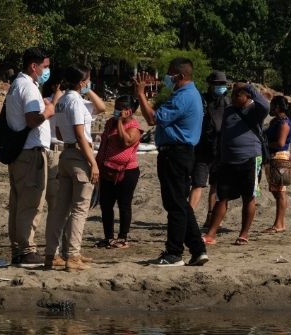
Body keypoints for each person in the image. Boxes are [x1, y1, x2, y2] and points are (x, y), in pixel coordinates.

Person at [134, 58, 208, 267]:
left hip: (176, 154)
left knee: (175, 205)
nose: (167, 78)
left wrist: (140, 94)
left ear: (180, 76)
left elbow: (152, 119)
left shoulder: (184, 96)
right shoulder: (188, 94)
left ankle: (174, 252)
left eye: (170, 74)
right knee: (180, 203)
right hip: (179, 153)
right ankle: (197, 249)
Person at [43, 65, 100, 271]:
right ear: (82, 82)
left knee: (60, 209)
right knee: (79, 208)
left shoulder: (61, 101)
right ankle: (72, 256)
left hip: (66, 155)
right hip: (78, 155)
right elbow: (79, 134)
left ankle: (51, 254)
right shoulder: (75, 101)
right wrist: (93, 162)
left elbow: (58, 132)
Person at [5, 47, 55, 268]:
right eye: (44, 67)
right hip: (31, 153)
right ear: (33, 66)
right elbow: (32, 119)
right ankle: (27, 249)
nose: (46, 71)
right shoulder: (27, 86)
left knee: (18, 203)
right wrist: (48, 112)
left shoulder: (19, 84)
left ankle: (19, 249)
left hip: (20, 153)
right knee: (31, 203)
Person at [202, 83, 269, 246]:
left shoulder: (255, 110)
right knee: (221, 198)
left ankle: (244, 234)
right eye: (232, 95)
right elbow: (223, 133)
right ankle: (211, 234)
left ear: (247, 96)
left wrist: (248, 86)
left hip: (250, 159)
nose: (233, 98)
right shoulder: (229, 111)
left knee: (249, 197)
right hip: (227, 161)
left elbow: (266, 105)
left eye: (237, 95)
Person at [95, 95, 143, 249]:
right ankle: (108, 237)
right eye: (116, 107)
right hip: (107, 170)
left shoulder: (135, 127)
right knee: (106, 204)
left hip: (127, 172)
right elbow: (104, 143)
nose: (117, 111)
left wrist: (121, 123)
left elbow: (126, 141)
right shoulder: (110, 123)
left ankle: (123, 237)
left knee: (124, 204)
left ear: (129, 111)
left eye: (121, 108)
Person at [190, 71, 229, 228]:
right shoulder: (201, 100)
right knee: (198, 184)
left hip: (220, 151)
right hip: (202, 149)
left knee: (216, 186)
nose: (220, 86)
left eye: (222, 84)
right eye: (217, 84)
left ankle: (210, 218)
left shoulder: (227, 102)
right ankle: (189, 217)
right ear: (210, 84)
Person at [263, 95, 291, 233]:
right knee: (277, 191)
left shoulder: (283, 123)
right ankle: (279, 223)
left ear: (277, 107)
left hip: (279, 158)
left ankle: (279, 224)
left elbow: (281, 143)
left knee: (280, 192)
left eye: (272, 105)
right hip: (274, 158)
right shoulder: (276, 121)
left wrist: (265, 144)